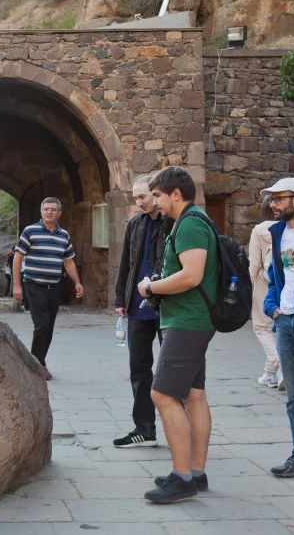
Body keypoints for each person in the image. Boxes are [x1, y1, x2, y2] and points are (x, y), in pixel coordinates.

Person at [137, 167, 218, 503]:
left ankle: (182, 477)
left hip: (187, 321)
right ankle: (195, 473)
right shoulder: (193, 221)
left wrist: (151, 287)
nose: (154, 201)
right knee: (193, 395)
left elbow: (192, 275)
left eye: (157, 195)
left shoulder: (190, 224)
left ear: (175, 194)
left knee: (163, 395)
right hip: (191, 320)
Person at [113, 175, 173, 449]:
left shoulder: (172, 222)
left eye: (142, 197)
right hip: (138, 308)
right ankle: (144, 429)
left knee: (172, 370)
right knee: (138, 369)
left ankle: (179, 430)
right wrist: (120, 299)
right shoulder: (136, 224)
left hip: (168, 307)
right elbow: (126, 263)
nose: (138, 203)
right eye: (135, 198)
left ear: (156, 194)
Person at [262, 178, 294, 478]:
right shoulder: (278, 233)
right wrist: (272, 307)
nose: (273, 204)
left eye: (279, 198)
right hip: (285, 322)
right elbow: (273, 276)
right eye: (272, 199)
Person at [13, 197, 84, 380]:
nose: (49, 212)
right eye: (46, 209)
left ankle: (40, 361)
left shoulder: (64, 235)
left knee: (49, 326)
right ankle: (36, 364)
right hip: (33, 284)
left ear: (59, 213)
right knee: (42, 324)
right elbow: (17, 258)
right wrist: (17, 285)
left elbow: (68, 261)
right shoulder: (30, 231)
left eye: (53, 209)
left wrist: (76, 282)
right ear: (41, 211)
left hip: (55, 286)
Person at [249, 196, 282, 390]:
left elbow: (253, 264)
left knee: (262, 327)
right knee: (281, 327)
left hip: (264, 284)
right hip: (285, 284)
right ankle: (273, 373)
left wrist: (246, 290)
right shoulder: (291, 228)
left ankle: (276, 361)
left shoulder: (259, 230)